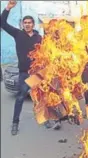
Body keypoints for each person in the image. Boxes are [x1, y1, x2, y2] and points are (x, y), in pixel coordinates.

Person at [1, 0, 42, 135]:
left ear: (33, 24)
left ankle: (45, 119)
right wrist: (8, 8)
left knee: (40, 98)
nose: (27, 25)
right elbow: (2, 23)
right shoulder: (18, 34)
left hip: (36, 73)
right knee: (20, 98)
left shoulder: (39, 37)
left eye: (29, 23)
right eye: (25, 23)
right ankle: (15, 123)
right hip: (24, 73)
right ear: (22, 24)